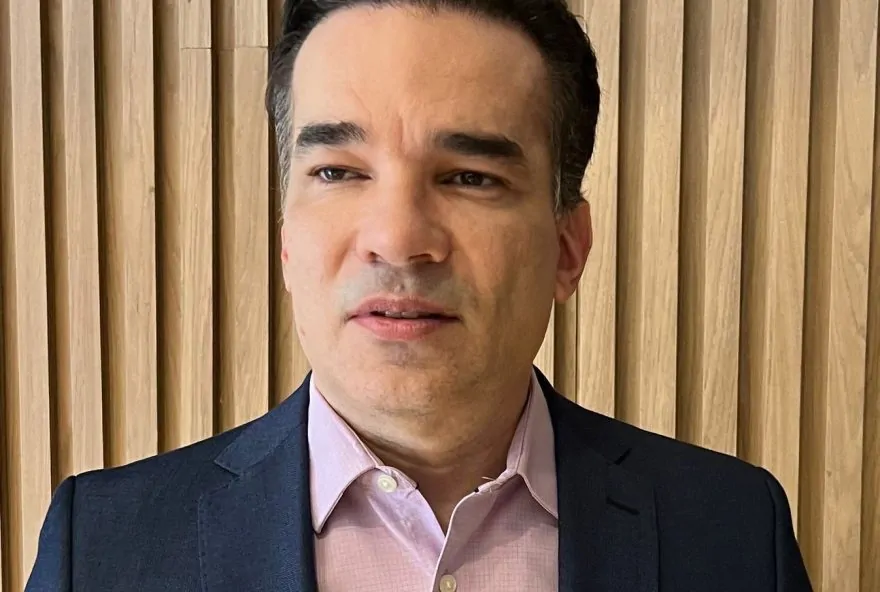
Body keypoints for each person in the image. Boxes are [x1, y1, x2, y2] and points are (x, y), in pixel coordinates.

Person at [26, 1, 813, 590]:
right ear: (287, 240)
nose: (398, 238)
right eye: (338, 171)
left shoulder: (732, 533)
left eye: (471, 177)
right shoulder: (104, 551)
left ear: (567, 248)